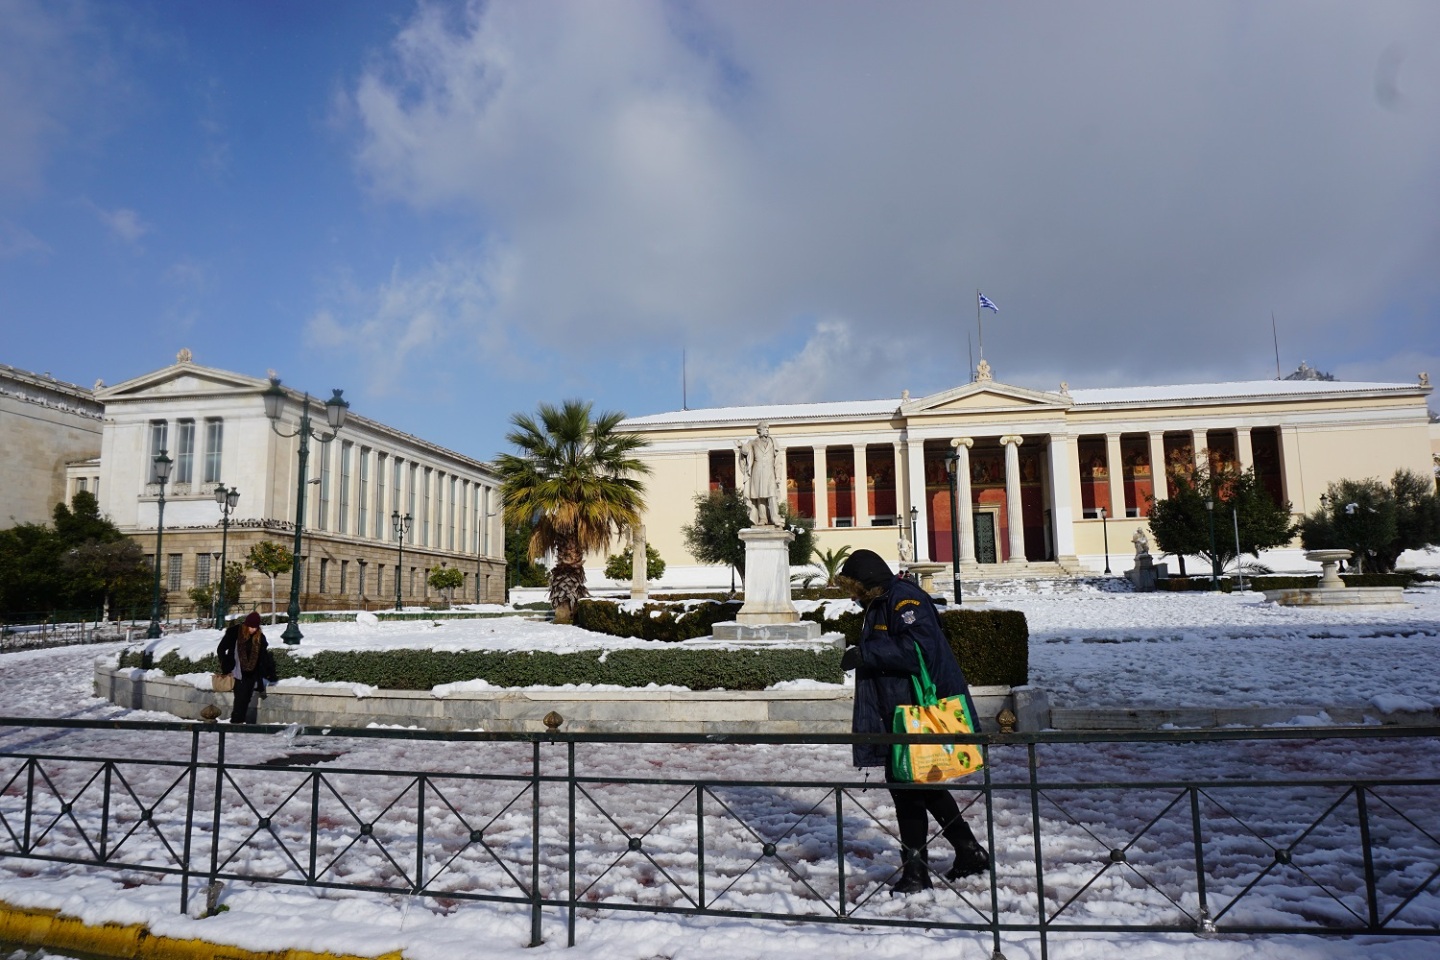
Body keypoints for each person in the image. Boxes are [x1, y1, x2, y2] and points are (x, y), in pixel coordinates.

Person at [837, 548, 990, 894]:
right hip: (900, 710)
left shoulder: (904, 601)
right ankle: (968, 851)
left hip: (914, 712)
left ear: (868, 582)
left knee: (907, 789)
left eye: (854, 586)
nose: (852, 594)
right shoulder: (881, 601)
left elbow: (919, 649)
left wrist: (866, 654)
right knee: (923, 783)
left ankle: (916, 873)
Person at [216, 611, 278, 724]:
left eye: (255, 627)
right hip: (238, 671)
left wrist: (269, 673)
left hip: (252, 673)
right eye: (251, 627)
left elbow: (263, 656)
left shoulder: (259, 637)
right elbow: (221, 649)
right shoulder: (235, 632)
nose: (253, 629)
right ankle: (236, 722)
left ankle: (238, 721)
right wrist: (226, 665)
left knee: (246, 698)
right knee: (240, 698)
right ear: (246, 624)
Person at [736, 422, 781, 526]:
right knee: (760, 496)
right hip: (757, 472)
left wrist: (778, 476)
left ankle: (775, 518)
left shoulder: (773, 442)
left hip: (770, 472)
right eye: (764, 428)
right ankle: (763, 519)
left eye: (768, 428)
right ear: (759, 430)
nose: (767, 430)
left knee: (772, 495)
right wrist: (741, 446)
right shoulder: (753, 442)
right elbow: (746, 451)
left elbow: (778, 461)